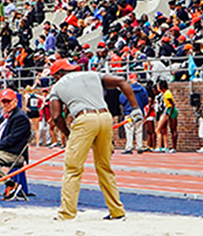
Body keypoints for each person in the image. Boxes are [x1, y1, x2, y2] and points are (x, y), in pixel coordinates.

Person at [47, 58, 141, 221]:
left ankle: (67, 213)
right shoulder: (93, 75)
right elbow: (121, 81)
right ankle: (117, 211)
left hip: (83, 119)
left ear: (57, 75)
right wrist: (135, 108)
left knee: (73, 168)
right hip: (105, 117)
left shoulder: (57, 87)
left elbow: (56, 116)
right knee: (104, 166)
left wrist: (68, 134)